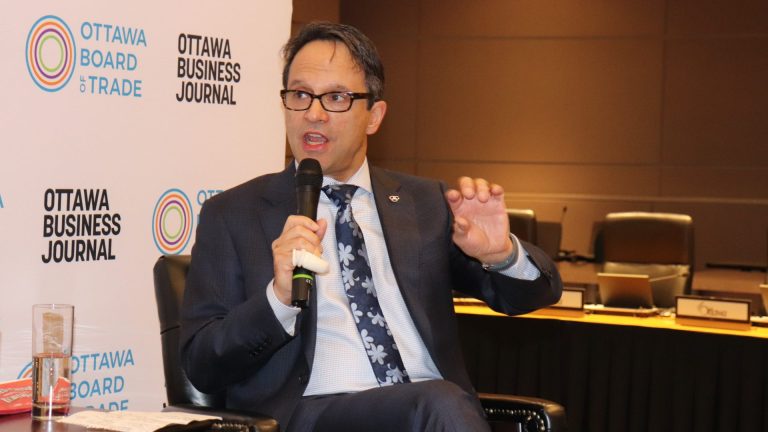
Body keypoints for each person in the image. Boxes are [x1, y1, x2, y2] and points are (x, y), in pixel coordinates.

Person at [180, 21, 562, 432]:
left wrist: (500, 255)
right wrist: (278, 299)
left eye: (337, 98)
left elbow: (532, 295)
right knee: (438, 401)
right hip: (313, 416)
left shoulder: (424, 203)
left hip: (429, 410)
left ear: (374, 116)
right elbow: (202, 364)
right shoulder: (234, 213)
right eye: (300, 94)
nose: (313, 113)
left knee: (437, 401)